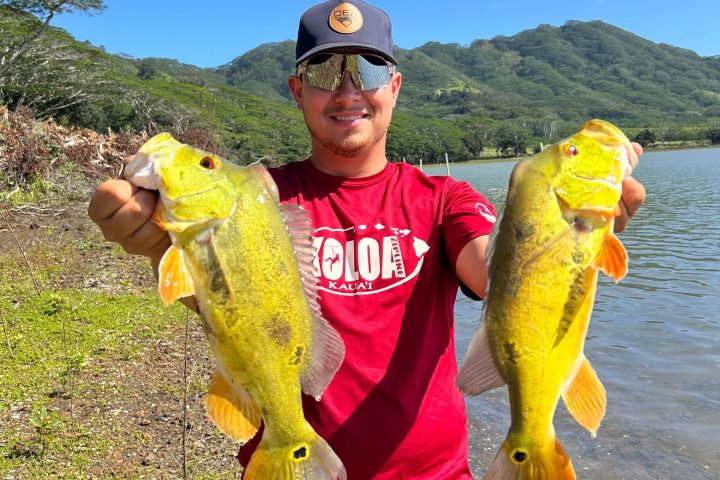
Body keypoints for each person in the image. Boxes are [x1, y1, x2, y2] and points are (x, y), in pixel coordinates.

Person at [88, 1, 646, 478]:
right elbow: (225, 309)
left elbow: (492, 273)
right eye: (326, 72)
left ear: (396, 86)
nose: (349, 90)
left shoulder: (444, 197)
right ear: (297, 90)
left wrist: (566, 237)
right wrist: (160, 246)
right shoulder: (254, 199)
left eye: (371, 71)